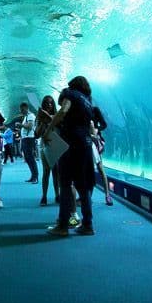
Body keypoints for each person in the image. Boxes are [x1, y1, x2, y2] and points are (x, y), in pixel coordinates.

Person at [47, 76, 97, 236]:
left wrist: (49, 129)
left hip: (71, 144)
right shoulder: (88, 100)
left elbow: (63, 111)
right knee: (83, 186)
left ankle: (62, 225)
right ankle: (88, 225)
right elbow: (90, 127)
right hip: (86, 144)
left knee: (66, 183)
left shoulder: (71, 93)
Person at [35, 95, 60, 206]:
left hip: (55, 144)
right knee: (46, 172)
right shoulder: (39, 118)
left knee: (56, 172)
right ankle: (44, 196)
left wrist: (50, 119)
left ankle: (57, 195)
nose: (49, 105)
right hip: (44, 145)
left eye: (51, 103)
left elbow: (60, 129)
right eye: (46, 103)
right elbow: (36, 134)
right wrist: (42, 122)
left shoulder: (57, 116)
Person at [92, 105, 113, 206]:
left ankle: (107, 195)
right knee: (88, 170)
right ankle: (87, 196)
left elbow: (104, 124)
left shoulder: (94, 109)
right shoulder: (80, 109)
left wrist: (97, 129)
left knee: (100, 169)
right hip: (85, 140)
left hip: (95, 141)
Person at [18, 102, 39, 183]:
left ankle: (35, 177)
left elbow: (30, 126)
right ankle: (33, 175)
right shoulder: (26, 116)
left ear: (26, 108)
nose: (21, 111)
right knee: (27, 158)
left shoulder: (30, 116)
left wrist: (21, 125)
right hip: (25, 139)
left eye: (22, 110)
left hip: (29, 139)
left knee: (31, 158)